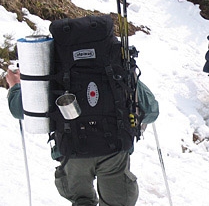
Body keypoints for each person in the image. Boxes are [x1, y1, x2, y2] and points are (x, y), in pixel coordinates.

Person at [6, 68, 152, 206]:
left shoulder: (53, 59)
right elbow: (151, 110)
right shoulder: (114, 56)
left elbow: (19, 109)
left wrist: (16, 87)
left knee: (81, 201)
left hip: (72, 150)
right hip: (114, 148)